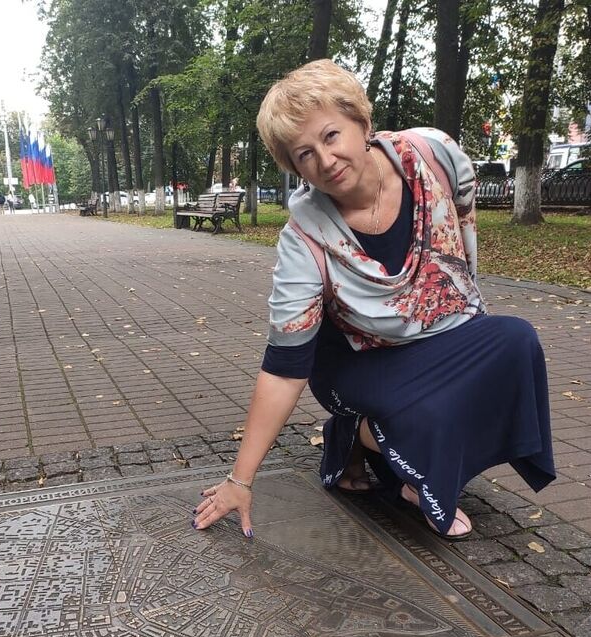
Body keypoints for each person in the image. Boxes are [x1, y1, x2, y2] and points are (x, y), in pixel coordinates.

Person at [193, 59, 555, 542]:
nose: (324, 160)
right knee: (426, 411)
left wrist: (469, 341)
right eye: (304, 154)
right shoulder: (305, 239)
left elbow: (462, 244)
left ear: (362, 123)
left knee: (516, 341)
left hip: (439, 333)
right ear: (294, 166)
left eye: (330, 136)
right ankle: (368, 444)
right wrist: (241, 480)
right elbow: (284, 366)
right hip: (358, 362)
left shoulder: (436, 156)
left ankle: (406, 464)